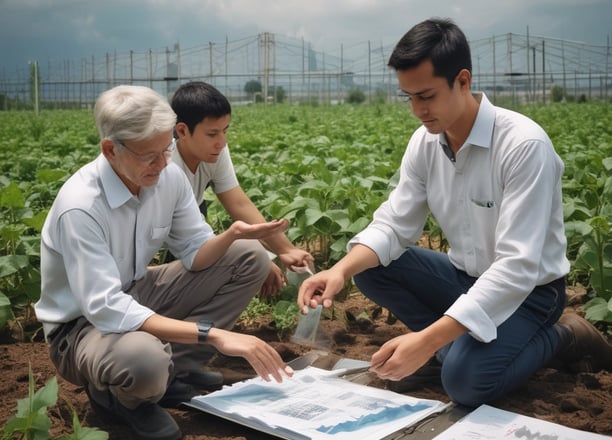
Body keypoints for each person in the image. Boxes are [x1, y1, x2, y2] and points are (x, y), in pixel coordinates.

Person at [298, 18, 612, 408]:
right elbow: (395, 223)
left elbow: (516, 267)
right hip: (463, 278)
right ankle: (451, 347)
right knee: (371, 266)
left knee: (464, 382)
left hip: (530, 294)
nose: (417, 110)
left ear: (462, 81)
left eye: (426, 96)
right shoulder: (425, 143)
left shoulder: (523, 145)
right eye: (408, 97)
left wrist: (428, 340)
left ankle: (565, 335)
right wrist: (339, 271)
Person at [35, 85, 294, 440]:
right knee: (143, 360)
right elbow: (107, 309)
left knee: (249, 256)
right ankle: (124, 399)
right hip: (80, 327)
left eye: (166, 150)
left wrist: (234, 234)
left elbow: (196, 251)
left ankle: (172, 375)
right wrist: (213, 335)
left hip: (136, 290)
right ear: (111, 150)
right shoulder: (81, 207)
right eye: (149, 156)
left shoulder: (165, 176)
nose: (163, 164)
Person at [170, 81, 313, 297]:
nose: (221, 142)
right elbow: (187, 237)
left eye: (225, 131)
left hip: (191, 212)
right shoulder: (165, 165)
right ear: (182, 131)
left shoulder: (215, 151)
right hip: (158, 226)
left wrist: (286, 249)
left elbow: (238, 202)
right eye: (212, 134)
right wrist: (260, 259)